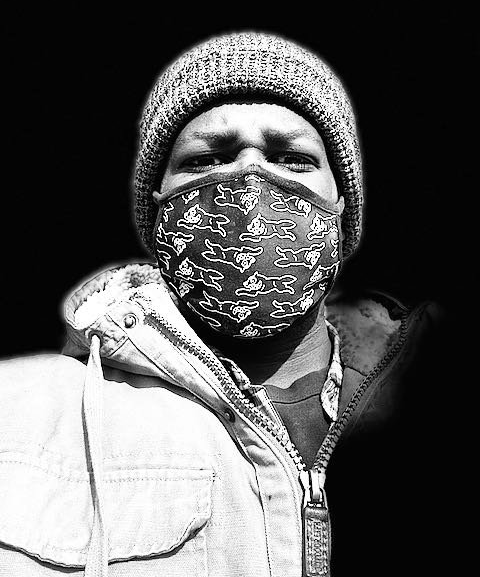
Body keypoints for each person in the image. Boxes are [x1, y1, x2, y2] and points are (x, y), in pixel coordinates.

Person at [0, 32, 445, 576]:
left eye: (293, 158)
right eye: (208, 158)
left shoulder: (443, 394)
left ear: (340, 205)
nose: (250, 176)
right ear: (158, 208)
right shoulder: (20, 416)